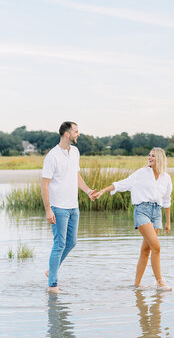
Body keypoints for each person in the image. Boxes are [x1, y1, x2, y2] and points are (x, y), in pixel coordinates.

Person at [94, 147, 172, 291]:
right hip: (142, 211)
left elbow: (166, 200)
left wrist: (168, 221)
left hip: (157, 213)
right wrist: (103, 191)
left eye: (153, 156)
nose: (149, 157)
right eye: (149, 155)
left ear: (160, 159)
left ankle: (136, 285)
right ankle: (160, 282)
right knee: (157, 247)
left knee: (146, 250)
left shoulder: (166, 178)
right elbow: (122, 183)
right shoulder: (141, 173)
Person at [41, 121, 96, 293]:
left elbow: (76, 176)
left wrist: (87, 191)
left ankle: (52, 270)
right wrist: (48, 209)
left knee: (71, 242)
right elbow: (44, 185)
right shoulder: (52, 156)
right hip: (58, 207)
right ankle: (53, 285)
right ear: (67, 134)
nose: (78, 134)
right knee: (59, 244)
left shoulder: (75, 152)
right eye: (76, 131)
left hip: (74, 206)